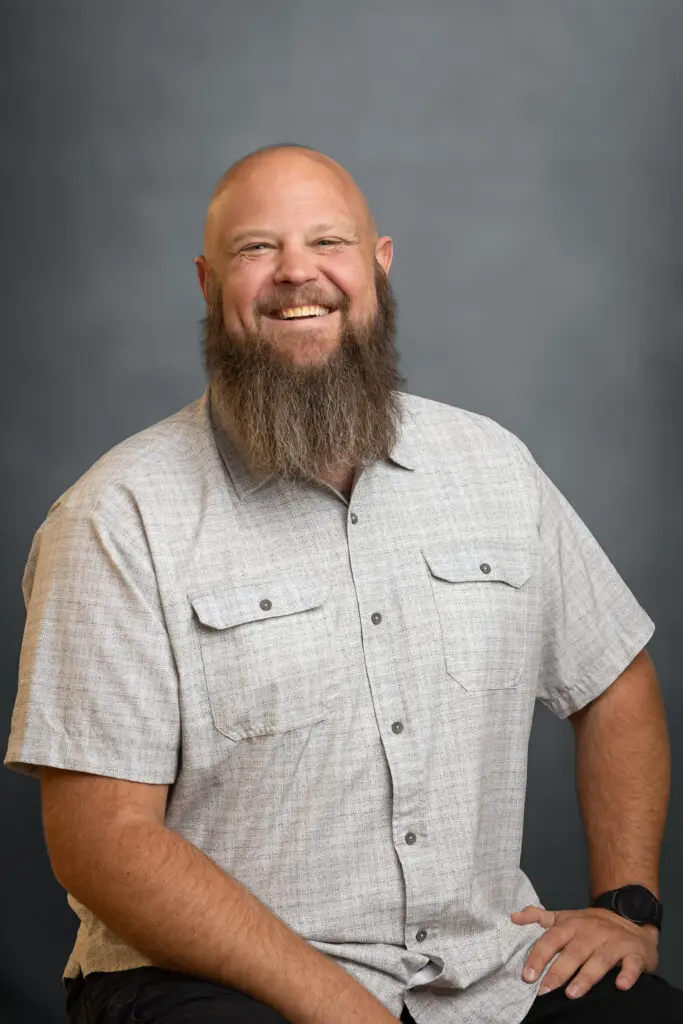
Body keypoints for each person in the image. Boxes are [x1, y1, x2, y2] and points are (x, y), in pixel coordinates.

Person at [4, 144, 682, 1024]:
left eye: (328, 241)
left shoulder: (493, 468)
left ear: (377, 265)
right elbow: (102, 845)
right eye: (256, 249)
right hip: (208, 983)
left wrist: (626, 904)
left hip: (485, 980)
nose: (296, 273)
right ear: (209, 283)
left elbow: (615, 681)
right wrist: (344, 1011)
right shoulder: (116, 517)